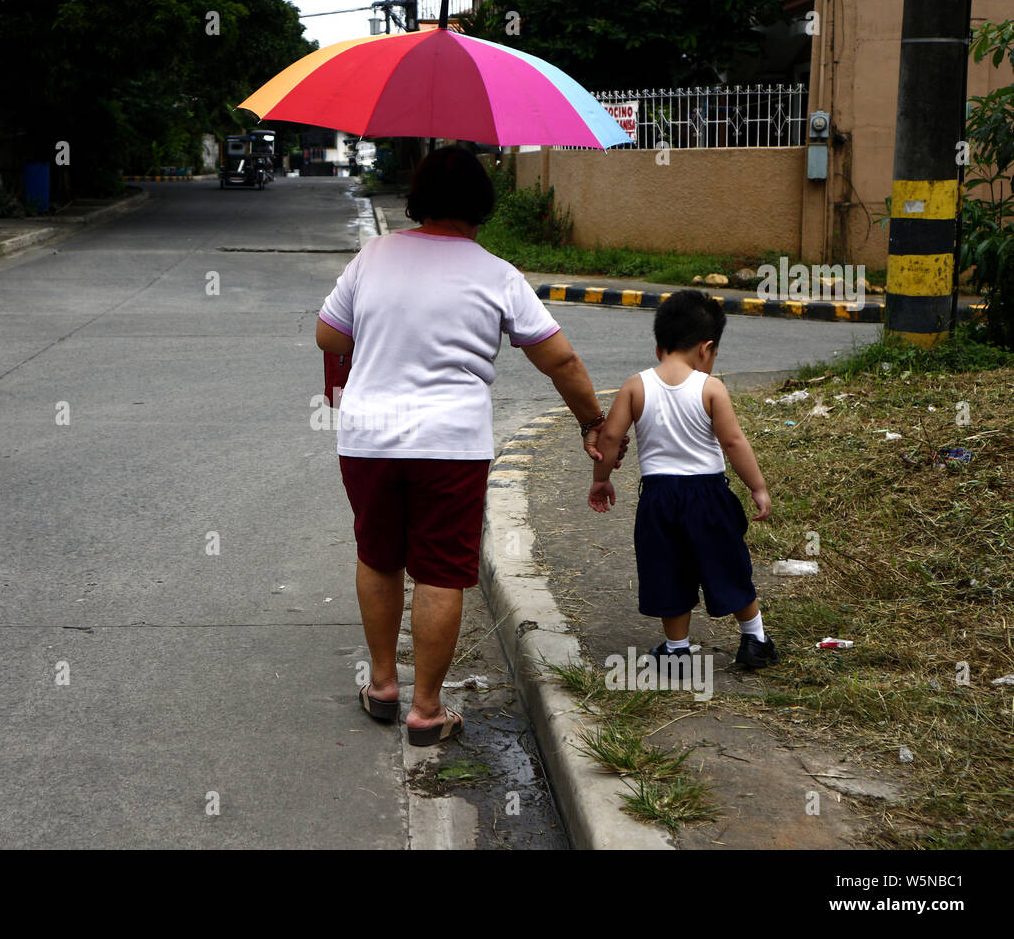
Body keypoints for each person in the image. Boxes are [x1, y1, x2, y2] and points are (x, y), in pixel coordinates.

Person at [316, 146, 620, 746]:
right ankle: (426, 711)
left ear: (416, 200)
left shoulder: (373, 255)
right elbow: (558, 358)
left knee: (379, 555)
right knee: (440, 571)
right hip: (450, 445)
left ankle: (381, 686)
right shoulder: (496, 273)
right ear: (482, 206)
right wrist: (593, 420)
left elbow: (328, 333)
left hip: (369, 438)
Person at [587, 290, 779, 669]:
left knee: (667, 570)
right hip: (708, 495)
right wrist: (757, 486)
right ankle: (755, 638)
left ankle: (676, 651)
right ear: (706, 349)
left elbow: (609, 437)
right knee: (727, 563)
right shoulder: (711, 388)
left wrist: (601, 479)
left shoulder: (635, 386)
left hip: (659, 499)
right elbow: (733, 442)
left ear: (660, 347)